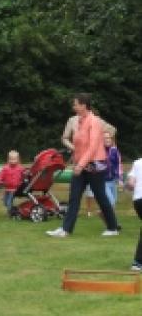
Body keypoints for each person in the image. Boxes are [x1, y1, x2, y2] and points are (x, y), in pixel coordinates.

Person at [48, 93, 122, 238]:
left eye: (75, 104)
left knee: (101, 197)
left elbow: (93, 146)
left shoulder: (94, 121)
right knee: (74, 197)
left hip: (95, 165)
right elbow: (79, 146)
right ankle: (65, 229)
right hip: (81, 165)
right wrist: (78, 162)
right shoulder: (79, 121)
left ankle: (113, 228)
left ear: (83, 105)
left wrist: (80, 165)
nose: (73, 106)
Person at [126, 156, 142, 271]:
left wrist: (128, 186)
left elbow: (131, 184)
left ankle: (137, 262)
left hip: (138, 201)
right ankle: (138, 262)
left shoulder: (137, 162)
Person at [105, 131, 123, 208]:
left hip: (112, 181)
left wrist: (120, 179)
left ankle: (105, 216)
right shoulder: (98, 151)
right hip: (102, 182)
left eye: (108, 138)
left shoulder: (115, 151)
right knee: (111, 201)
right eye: (104, 138)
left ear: (111, 139)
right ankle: (108, 217)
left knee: (113, 203)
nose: (107, 140)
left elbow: (118, 165)